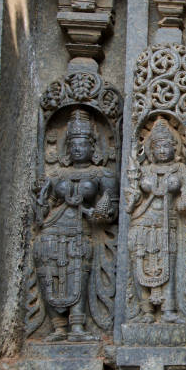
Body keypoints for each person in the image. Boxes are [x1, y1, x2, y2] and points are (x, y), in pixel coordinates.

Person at [33, 108, 118, 342]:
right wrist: (40, 202)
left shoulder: (102, 174)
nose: (78, 148)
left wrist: (95, 214)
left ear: (93, 146)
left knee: (77, 274)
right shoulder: (56, 175)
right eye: (73, 144)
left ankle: (78, 326)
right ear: (67, 147)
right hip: (52, 230)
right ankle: (58, 327)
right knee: (51, 275)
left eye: (83, 143)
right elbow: (42, 211)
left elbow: (111, 211)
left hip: (80, 232)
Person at [127, 116, 186, 324]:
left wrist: (183, 198)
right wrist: (136, 193)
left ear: (175, 147)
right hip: (142, 222)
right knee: (140, 263)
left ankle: (169, 309)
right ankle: (145, 310)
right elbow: (131, 199)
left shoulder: (183, 170)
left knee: (169, 265)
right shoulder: (143, 170)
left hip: (168, 223)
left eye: (167, 145)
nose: (162, 150)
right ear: (150, 150)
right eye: (157, 146)